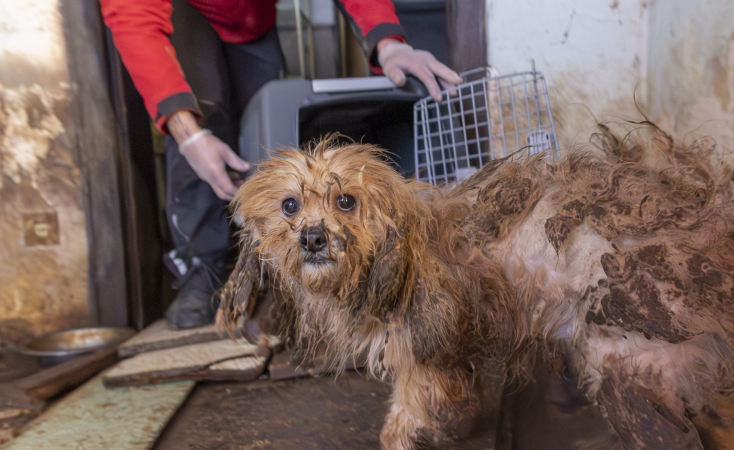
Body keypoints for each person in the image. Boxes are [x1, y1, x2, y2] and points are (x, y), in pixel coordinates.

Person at [100, 0, 462, 329]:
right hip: (187, 11)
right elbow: (133, 16)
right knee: (203, 113)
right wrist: (187, 132)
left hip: (255, 20)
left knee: (265, 132)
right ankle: (203, 265)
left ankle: (276, 269)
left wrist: (388, 42)